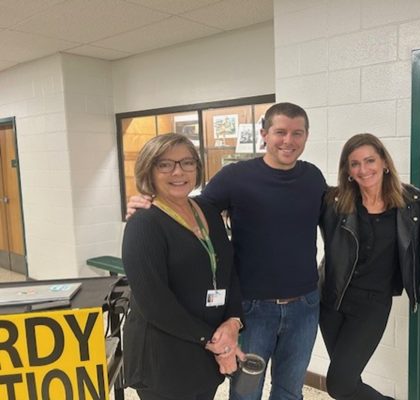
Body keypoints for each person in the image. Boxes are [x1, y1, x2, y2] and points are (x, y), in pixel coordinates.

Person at [127, 103, 328, 400]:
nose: (289, 140)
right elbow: (186, 205)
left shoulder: (313, 177)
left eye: (297, 133)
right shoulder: (236, 176)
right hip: (255, 307)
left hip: (304, 306)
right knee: (246, 390)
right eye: (280, 132)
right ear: (264, 134)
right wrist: (145, 202)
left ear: (307, 136)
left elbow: (338, 220)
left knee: (290, 390)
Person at [121, 133, 244, 400]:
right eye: (165, 164)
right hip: (165, 357)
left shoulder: (207, 210)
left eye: (187, 163)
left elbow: (228, 269)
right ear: (149, 170)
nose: (178, 171)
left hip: (205, 350)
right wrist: (214, 342)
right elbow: (153, 303)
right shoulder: (144, 224)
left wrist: (233, 321)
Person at [319, 133, 420, 400]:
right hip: (332, 301)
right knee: (350, 381)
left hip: (373, 305)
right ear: (348, 171)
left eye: (369, 160)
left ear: (384, 162)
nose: (363, 170)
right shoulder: (335, 203)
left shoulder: (411, 202)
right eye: (354, 164)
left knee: (339, 384)